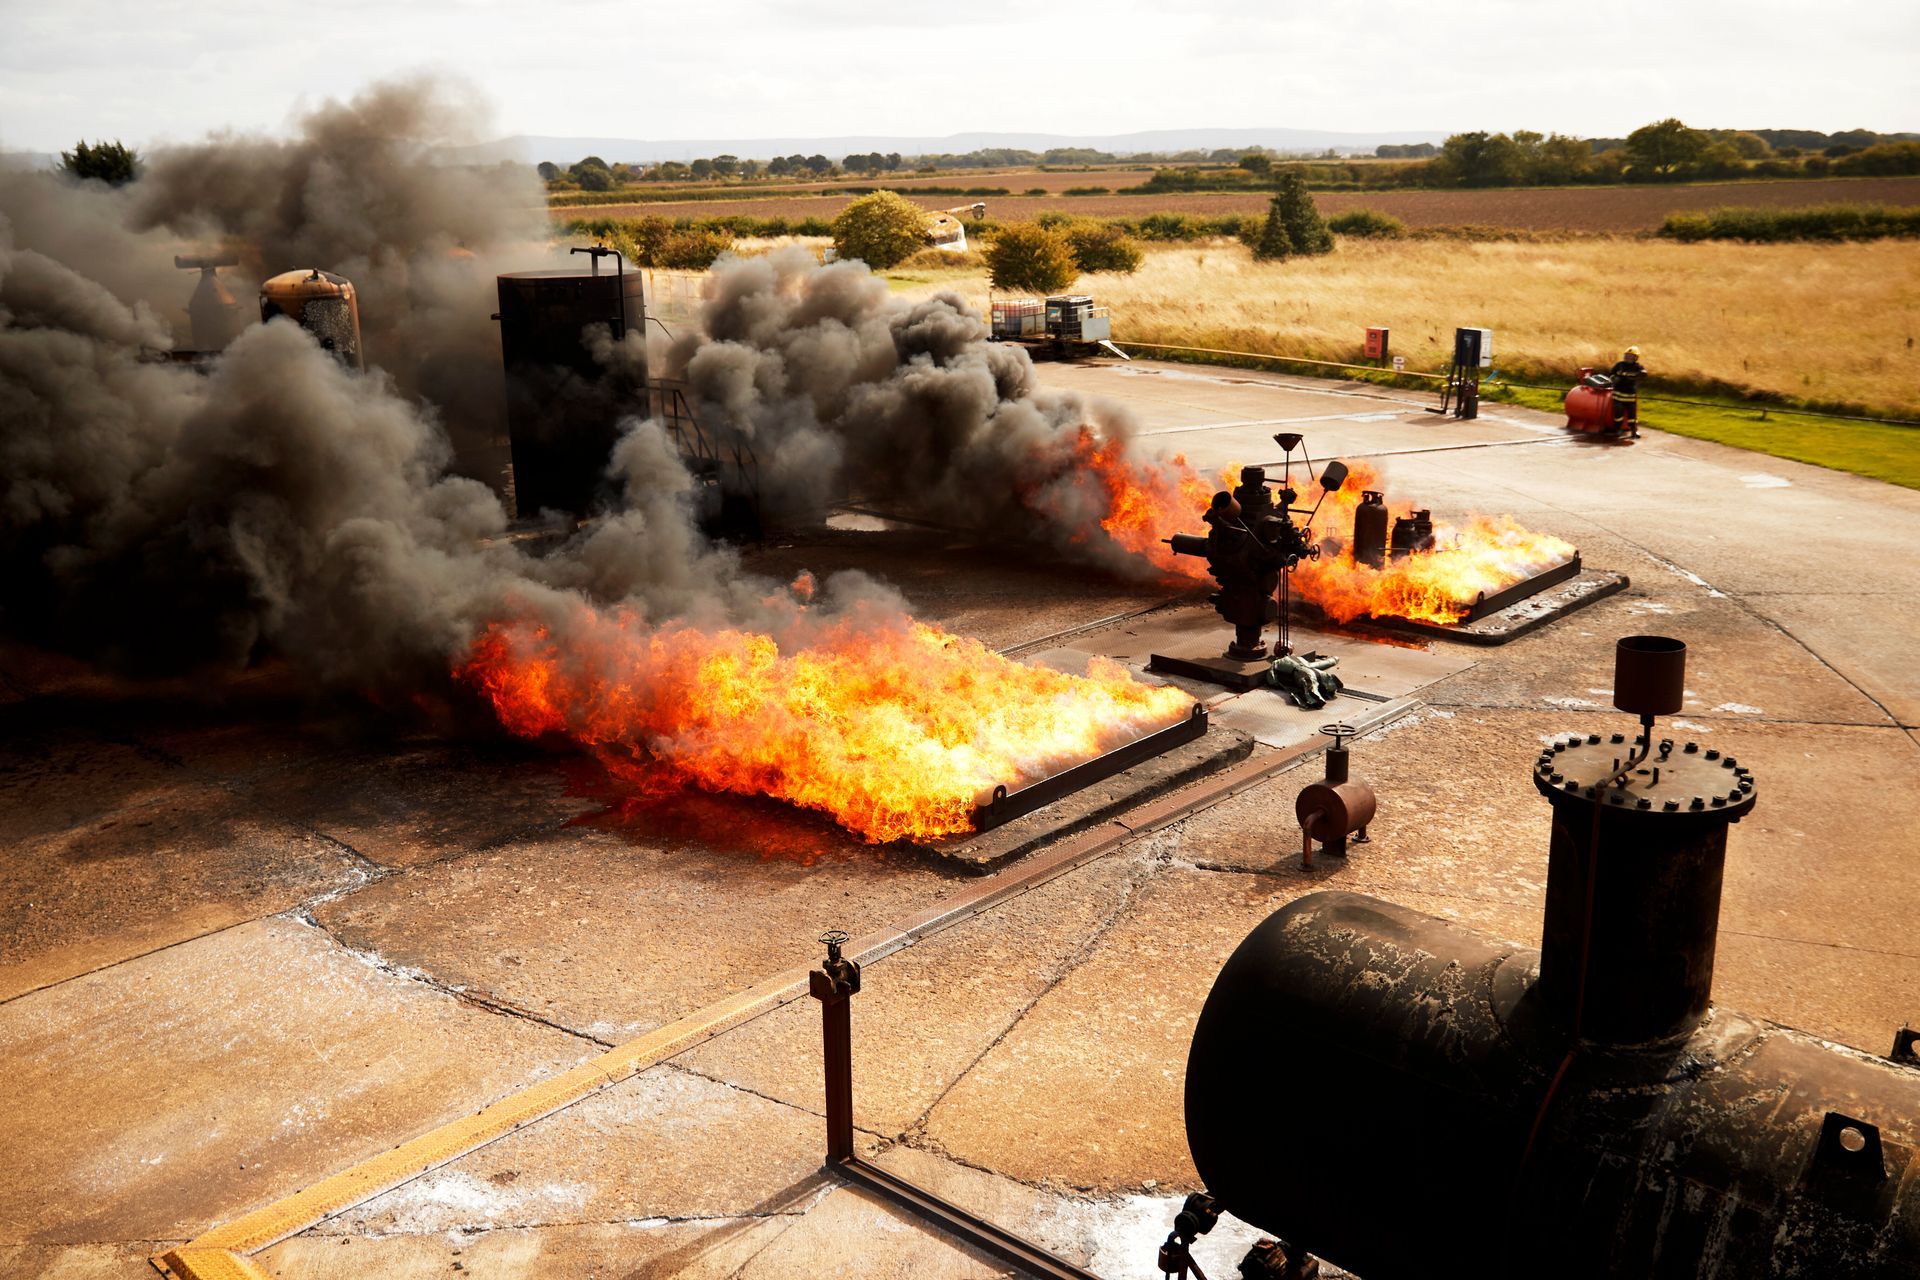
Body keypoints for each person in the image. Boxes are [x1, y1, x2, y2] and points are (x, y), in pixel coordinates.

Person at [1609, 345, 1648, 436]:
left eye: (1630, 356)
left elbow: (1644, 373)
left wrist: (1643, 374)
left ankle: (1634, 431)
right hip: (1618, 395)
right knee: (1618, 414)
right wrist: (1614, 378)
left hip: (1630, 395)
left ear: (1635, 357)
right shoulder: (1619, 365)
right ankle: (1618, 430)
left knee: (1632, 415)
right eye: (1626, 355)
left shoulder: (1638, 367)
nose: (1628, 357)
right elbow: (1610, 374)